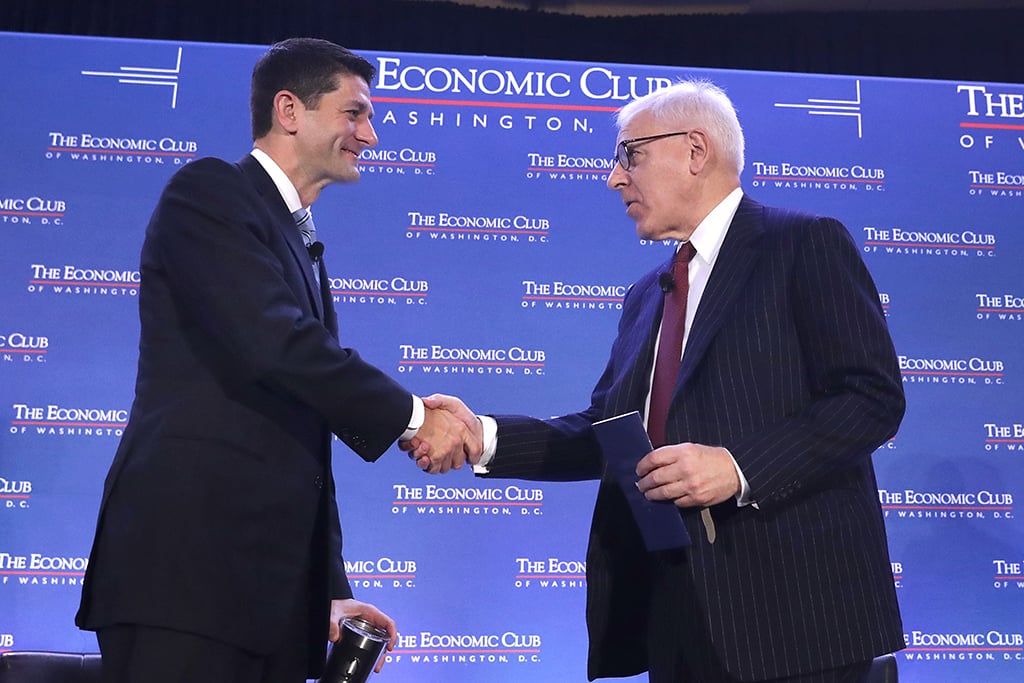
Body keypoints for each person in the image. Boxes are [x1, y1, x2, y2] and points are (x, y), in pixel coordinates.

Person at [413, 80, 905, 682]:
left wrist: (738, 467)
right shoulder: (648, 294)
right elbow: (612, 434)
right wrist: (482, 436)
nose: (613, 178)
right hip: (675, 616)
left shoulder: (802, 243)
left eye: (629, 155)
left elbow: (870, 397)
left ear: (695, 150)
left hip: (796, 621)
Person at [75, 37, 478, 683]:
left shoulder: (300, 240)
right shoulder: (210, 192)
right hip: (188, 581)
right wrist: (411, 417)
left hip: (270, 600)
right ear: (290, 110)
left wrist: (330, 589)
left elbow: (300, 438)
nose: (370, 135)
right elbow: (277, 342)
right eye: (355, 113)